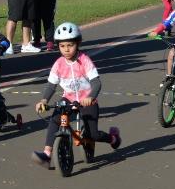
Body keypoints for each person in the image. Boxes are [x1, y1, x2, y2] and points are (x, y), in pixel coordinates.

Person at [31, 22, 121, 167]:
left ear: (77, 44)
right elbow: (51, 85)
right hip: (69, 99)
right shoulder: (59, 64)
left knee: (93, 134)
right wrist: (43, 100)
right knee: (55, 119)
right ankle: (47, 153)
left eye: (70, 45)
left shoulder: (84, 60)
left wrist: (91, 97)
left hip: (87, 100)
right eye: (62, 46)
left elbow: (96, 82)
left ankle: (113, 138)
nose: (66, 49)